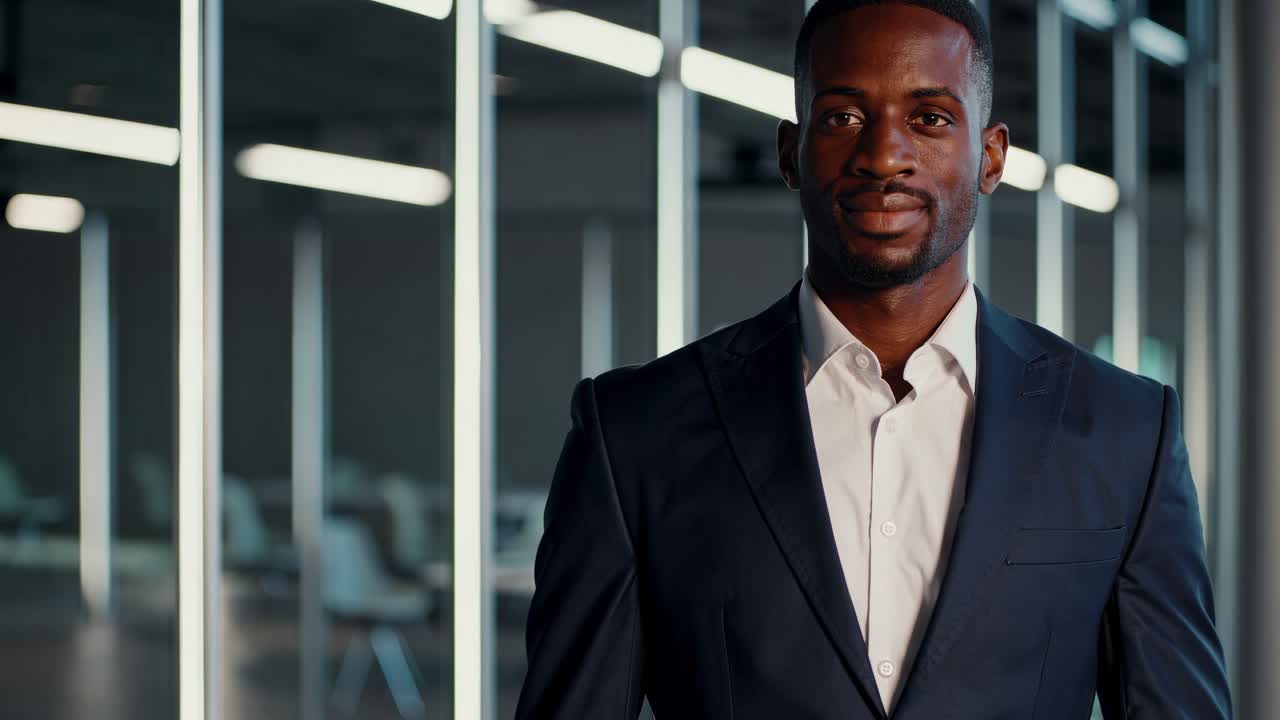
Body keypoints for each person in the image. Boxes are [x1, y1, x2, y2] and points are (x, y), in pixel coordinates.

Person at [513, 0, 1232, 717]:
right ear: (791, 153)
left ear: (990, 157)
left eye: (929, 117)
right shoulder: (636, 432)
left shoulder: (1124, 431)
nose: (884, 156)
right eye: (844, 118)